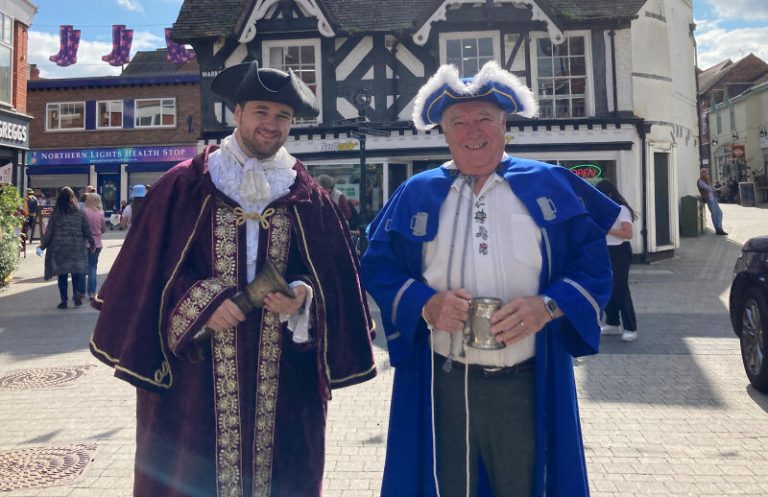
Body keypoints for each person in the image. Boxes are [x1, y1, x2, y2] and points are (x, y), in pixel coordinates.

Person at [89, 60, 376, 497]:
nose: (272, 124)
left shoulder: (309, 195)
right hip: (193, 378)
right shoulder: (183, 185)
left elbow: (331, 276)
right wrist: (203, 302)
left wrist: (303, 294)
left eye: (283, 116)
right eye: (261, 111)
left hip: (285, 380)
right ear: (236, 112)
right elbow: (146, 276)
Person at [360, 61, 619, 497]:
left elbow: (594, 267)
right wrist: (425, 302)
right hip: (443, 382)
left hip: (529, 382)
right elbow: (376, 264)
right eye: (458, 122)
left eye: (484, 118)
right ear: (443, 132)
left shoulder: (551, 183)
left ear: (505, 126)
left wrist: (548, 306)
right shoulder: (415, 192)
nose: (471, 131)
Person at [595, 179, 638, 342]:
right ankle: (612, 322)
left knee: (620, 289)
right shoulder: (601, 209)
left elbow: (628, 234)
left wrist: (608, 230)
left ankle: (630, 327)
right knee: (608, 287)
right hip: (605, 250)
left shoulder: (621, 209)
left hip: (620, 251)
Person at [39, 187, 94, 309]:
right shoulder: (80, 213)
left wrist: (42, 246)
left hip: (59, 249)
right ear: (73, 198)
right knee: (76, 274)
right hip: (76, 248)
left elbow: (49, 232)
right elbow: (86, 230)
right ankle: (75, 296)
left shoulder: (56, 214)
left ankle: (63, 300)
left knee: (62, 276)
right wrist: (92, 242)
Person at [80, 192, 105, 300]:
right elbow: (103, 229)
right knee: (92, 267)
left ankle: (81, 292)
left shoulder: (83, 212)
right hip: (97, 243)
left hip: (84, 242)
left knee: (82, 268)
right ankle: (92, 293)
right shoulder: (101, 213)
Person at [697, 168, 727, 235]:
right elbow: (709, 188)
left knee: (719, 213)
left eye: (706, 172)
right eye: (704, 172)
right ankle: (718, 229)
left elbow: (711, 188)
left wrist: (715, 189)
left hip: (713, 198)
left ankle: (719, 228)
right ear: (701, 173)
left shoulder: (706, 180)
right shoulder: (700, 181)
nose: (706, 173)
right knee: (714, 213)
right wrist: (712, 188)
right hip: (709, 199)